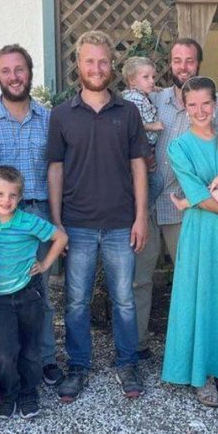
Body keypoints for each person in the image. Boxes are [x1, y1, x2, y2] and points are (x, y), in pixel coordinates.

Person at [134, 38, 218, 361]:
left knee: (195, 283)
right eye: (177, 60)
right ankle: (137, 347)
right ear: (170, 64)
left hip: (186, 209)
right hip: (149, 201)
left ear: (198, 63)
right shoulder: (154, 99)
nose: (183, 66)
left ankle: (204, 352)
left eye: (189, 60)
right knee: (140, 279)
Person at [47, 30, 149, 402]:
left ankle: (127, 362)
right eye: (89, 61)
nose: (96, 67)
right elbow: (55, 170)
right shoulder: (62, 115)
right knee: (76, 302)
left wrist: (141, 217)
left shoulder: (128, 112)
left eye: (103, 61)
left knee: (124, 300)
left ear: (112, 65)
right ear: (78, 64)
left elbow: (139, 166)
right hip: (77, 224)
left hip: (122, 223)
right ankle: (78, 366)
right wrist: (57, 223)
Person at [0, 44, 63, 387]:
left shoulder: (49, 119)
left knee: (39, 292)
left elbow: (57, 170)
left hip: (37, 214)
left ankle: (44, 359)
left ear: (30, 72)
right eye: (6, 71)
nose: (14, 77)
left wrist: (57, 219)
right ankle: (0, 365)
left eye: (19, 69)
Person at [161, 76, 218, 408]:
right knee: (201, 297)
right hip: (201, 231)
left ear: (215, 104)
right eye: (192, 105)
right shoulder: (179, 147)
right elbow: (197, 194)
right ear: (184, 107)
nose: (200, 111)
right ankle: (202, 375)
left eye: (206, 103)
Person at [0, 166, 68, 420]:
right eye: (0, 194)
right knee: (5, 352)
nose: (6, 200)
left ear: (20, 197)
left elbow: (61, 238)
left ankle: (28, 393)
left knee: (30, 349)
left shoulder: (27, 221)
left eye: (12, 195)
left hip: (28, 293)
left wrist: (44, 265)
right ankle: (8, 392)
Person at [121, 56, 164, 207]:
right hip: (141, 149)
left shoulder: (140, 95)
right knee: (156, 182)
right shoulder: (134, 99)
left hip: (147, 148)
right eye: (146, 77)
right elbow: (133, 124)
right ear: (132, 81)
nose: (151, 81)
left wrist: (153, 90)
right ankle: (141, 208)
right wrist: (153, 126)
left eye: (153, 77)